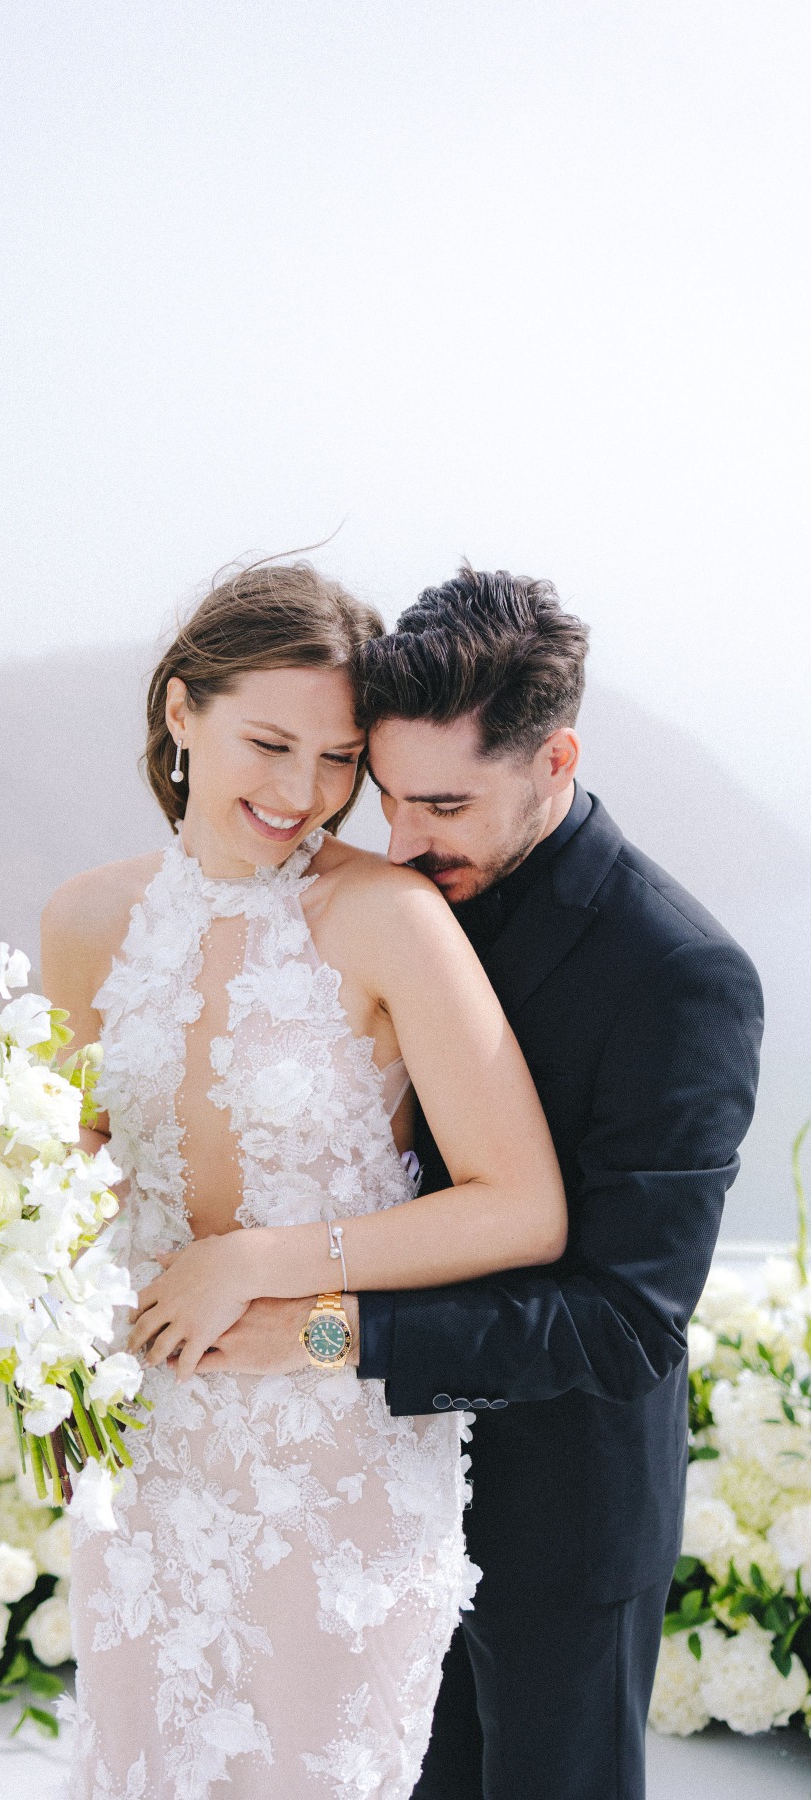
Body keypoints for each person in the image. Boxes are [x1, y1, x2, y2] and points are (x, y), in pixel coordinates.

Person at [195, 566, 765, 1800]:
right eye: (387, 797)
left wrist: (333, 1331)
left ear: (555, 761)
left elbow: (626, 1322)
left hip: (557, 1519)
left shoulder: (681, 977)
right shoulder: (373, 901)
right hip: (360, 1493)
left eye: (445, 803)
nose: (403, 842)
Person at [42, 561, 569, 1799]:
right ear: (182, 713)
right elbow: (68, 1193)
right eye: (269, 743)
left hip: (337, 1459)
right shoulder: (82, 921)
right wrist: (53, 1363)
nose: (303, 793)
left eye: (339, 760)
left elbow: (522, 1205)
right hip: (147, 1452)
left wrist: (266, 1266)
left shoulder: (389, 917)